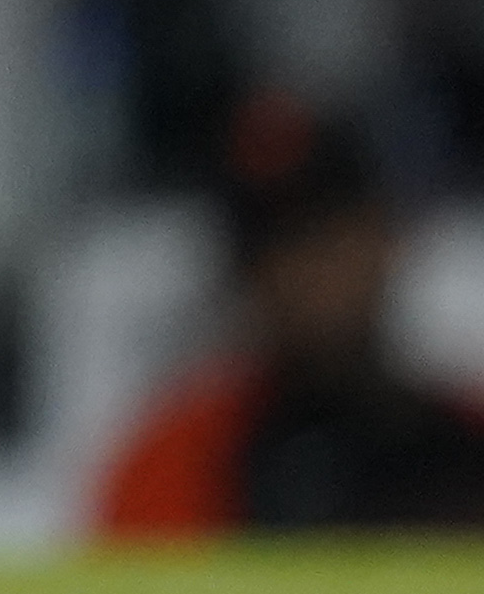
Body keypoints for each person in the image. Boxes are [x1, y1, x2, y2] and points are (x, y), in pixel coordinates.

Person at [95, 95, 484, 534]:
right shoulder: (175, 461)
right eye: (277, 251)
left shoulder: (466, 433)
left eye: (331, 236)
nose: (309, 274)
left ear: (388, 240)